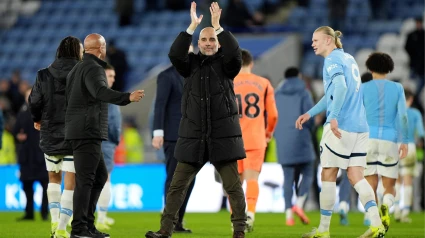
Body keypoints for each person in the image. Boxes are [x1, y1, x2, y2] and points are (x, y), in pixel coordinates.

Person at [145, 2, 247, 238]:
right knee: (176, 187)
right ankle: (165, 230)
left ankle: (239, 230)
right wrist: (191, 27)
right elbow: (174, 54)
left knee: (233, 187)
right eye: (204, 40)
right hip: (193, 137)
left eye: (212, 40)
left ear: (217, 42)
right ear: (198, 44)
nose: (209, 43)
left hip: (222, 137)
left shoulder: (227, 65)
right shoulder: (188, 66)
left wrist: (217, 26)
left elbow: (235, 53)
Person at [296, 26, 385, 238]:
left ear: (328, 40)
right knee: (356, 175)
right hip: (361, 127)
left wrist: (333, 116)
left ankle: (324, 230)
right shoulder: (348, 58)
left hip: (341, 126)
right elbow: (332, 94)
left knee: (327, 173)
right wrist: (310, 113)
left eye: (316, 40)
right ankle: (376, 224)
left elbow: (341, 87)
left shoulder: (331, 60)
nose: (312, 44)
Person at [66, 33, 145, 238]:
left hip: (81, 130)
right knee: (86, 180)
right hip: (87, 131)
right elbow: (101, 92)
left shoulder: (77, 69)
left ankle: (87, 225)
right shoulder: (95, 68)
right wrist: (127, 97)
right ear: (101, 48)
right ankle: (80, 228)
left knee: (99, 176)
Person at [28, 36, 83, 238]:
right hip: (74, 134)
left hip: (49, 132)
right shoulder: (83, 72)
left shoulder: (43, 74)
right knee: (71, 180)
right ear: (76, 51)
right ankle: (61, 227)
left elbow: (34, 101)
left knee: (53, 177)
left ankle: (53, 222)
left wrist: (37, 119)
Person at [362, 52, 409, 234]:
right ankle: (386, 207)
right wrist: (404, 141)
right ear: (389, 68)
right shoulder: (397, 88)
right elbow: (403, 116)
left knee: (370, 186)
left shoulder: (363, 88)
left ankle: (375, 223)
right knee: (389, 186)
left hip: (368, 140)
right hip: (389, 140)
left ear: (370, 68)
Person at [152, 45, 196, 233]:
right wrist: (158, 132)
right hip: (173, 135)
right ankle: (168, 221)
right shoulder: (166, 76)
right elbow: (160, 105)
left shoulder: (196, 75)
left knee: (190, 180)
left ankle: (178, 220)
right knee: (173, 179)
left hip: (194, 135)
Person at [234, 49, 278, 232]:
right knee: (252, 180)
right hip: (256, 139)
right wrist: (268, 132)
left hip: (233, 140)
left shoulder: (228, 83)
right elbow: (273, 115)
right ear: (251, 64)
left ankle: (236, 220)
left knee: (235, 184)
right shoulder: (264, 83)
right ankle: (250, 213)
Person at [274, 67, 313, 226]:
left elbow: (272, 115)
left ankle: (288, 216)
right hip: (301, 137)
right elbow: (309, 116)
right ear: (298, 76)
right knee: (309, 170)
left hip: (283, 140)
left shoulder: (276, 94)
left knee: (287, 179)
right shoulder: (304, 93)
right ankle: (300, 202)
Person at [339, 71, 374, 227]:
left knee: (348, 175)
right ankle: (368, 214)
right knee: (366, 177)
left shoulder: (352, 94)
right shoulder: (375, 96)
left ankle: (343, 206)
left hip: (347, 138)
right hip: (368, 140)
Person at [14, 88, 49, 222]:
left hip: (41, 155)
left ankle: (44, 212)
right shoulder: (22, 112)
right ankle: (29, 213)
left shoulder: (45, 112)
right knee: (27, 186)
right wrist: (18, 136)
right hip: (27, 156)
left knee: (46, 186)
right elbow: (15, 131)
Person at [95, 64, 122, 231]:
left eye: (113, 76)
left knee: (81, 181)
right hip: (105, 143)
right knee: (105, 180)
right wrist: (115, 140)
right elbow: (113, 124)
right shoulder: (110, 96)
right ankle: (101, 218)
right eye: (110, 75)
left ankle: (73, 217)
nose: (112, 79)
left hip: (88, 143)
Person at [394, 88, 424, 223]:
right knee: (408, 180)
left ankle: (396, 210)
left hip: (394, 146)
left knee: (396, 180)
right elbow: (422, 133)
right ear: (411, 99)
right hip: (409, 146)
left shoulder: (394, 113)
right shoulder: (415, 113)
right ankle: (405, 211)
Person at [404, 17, 424, 96]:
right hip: (413, 65)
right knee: (411, 84)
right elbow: (407, 47)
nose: (418, 24)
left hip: (423, 66)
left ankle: (417, 99)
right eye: (417, 22)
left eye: (420, 22)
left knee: (420, 88)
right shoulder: (411, 35)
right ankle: (412, 98)